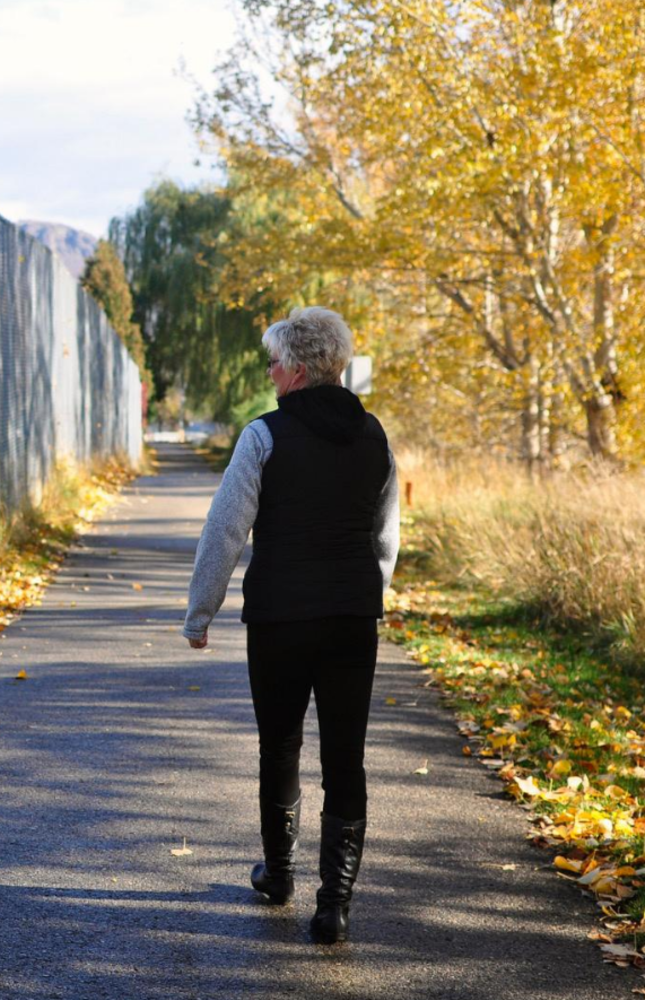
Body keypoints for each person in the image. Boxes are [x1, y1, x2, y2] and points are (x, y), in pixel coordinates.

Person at [182, 306, 398, 944]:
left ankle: (279, 876)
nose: (270, 372)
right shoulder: (375, 435)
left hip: (280, 619)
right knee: (345, 760)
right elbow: (384, 535)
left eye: (275, 361)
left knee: (280, 747)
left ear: (299, 369)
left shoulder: (263, 435)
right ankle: (334, 905)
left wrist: (200, 612)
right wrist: (365, 593)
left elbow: (226, 529)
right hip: (352, 620)